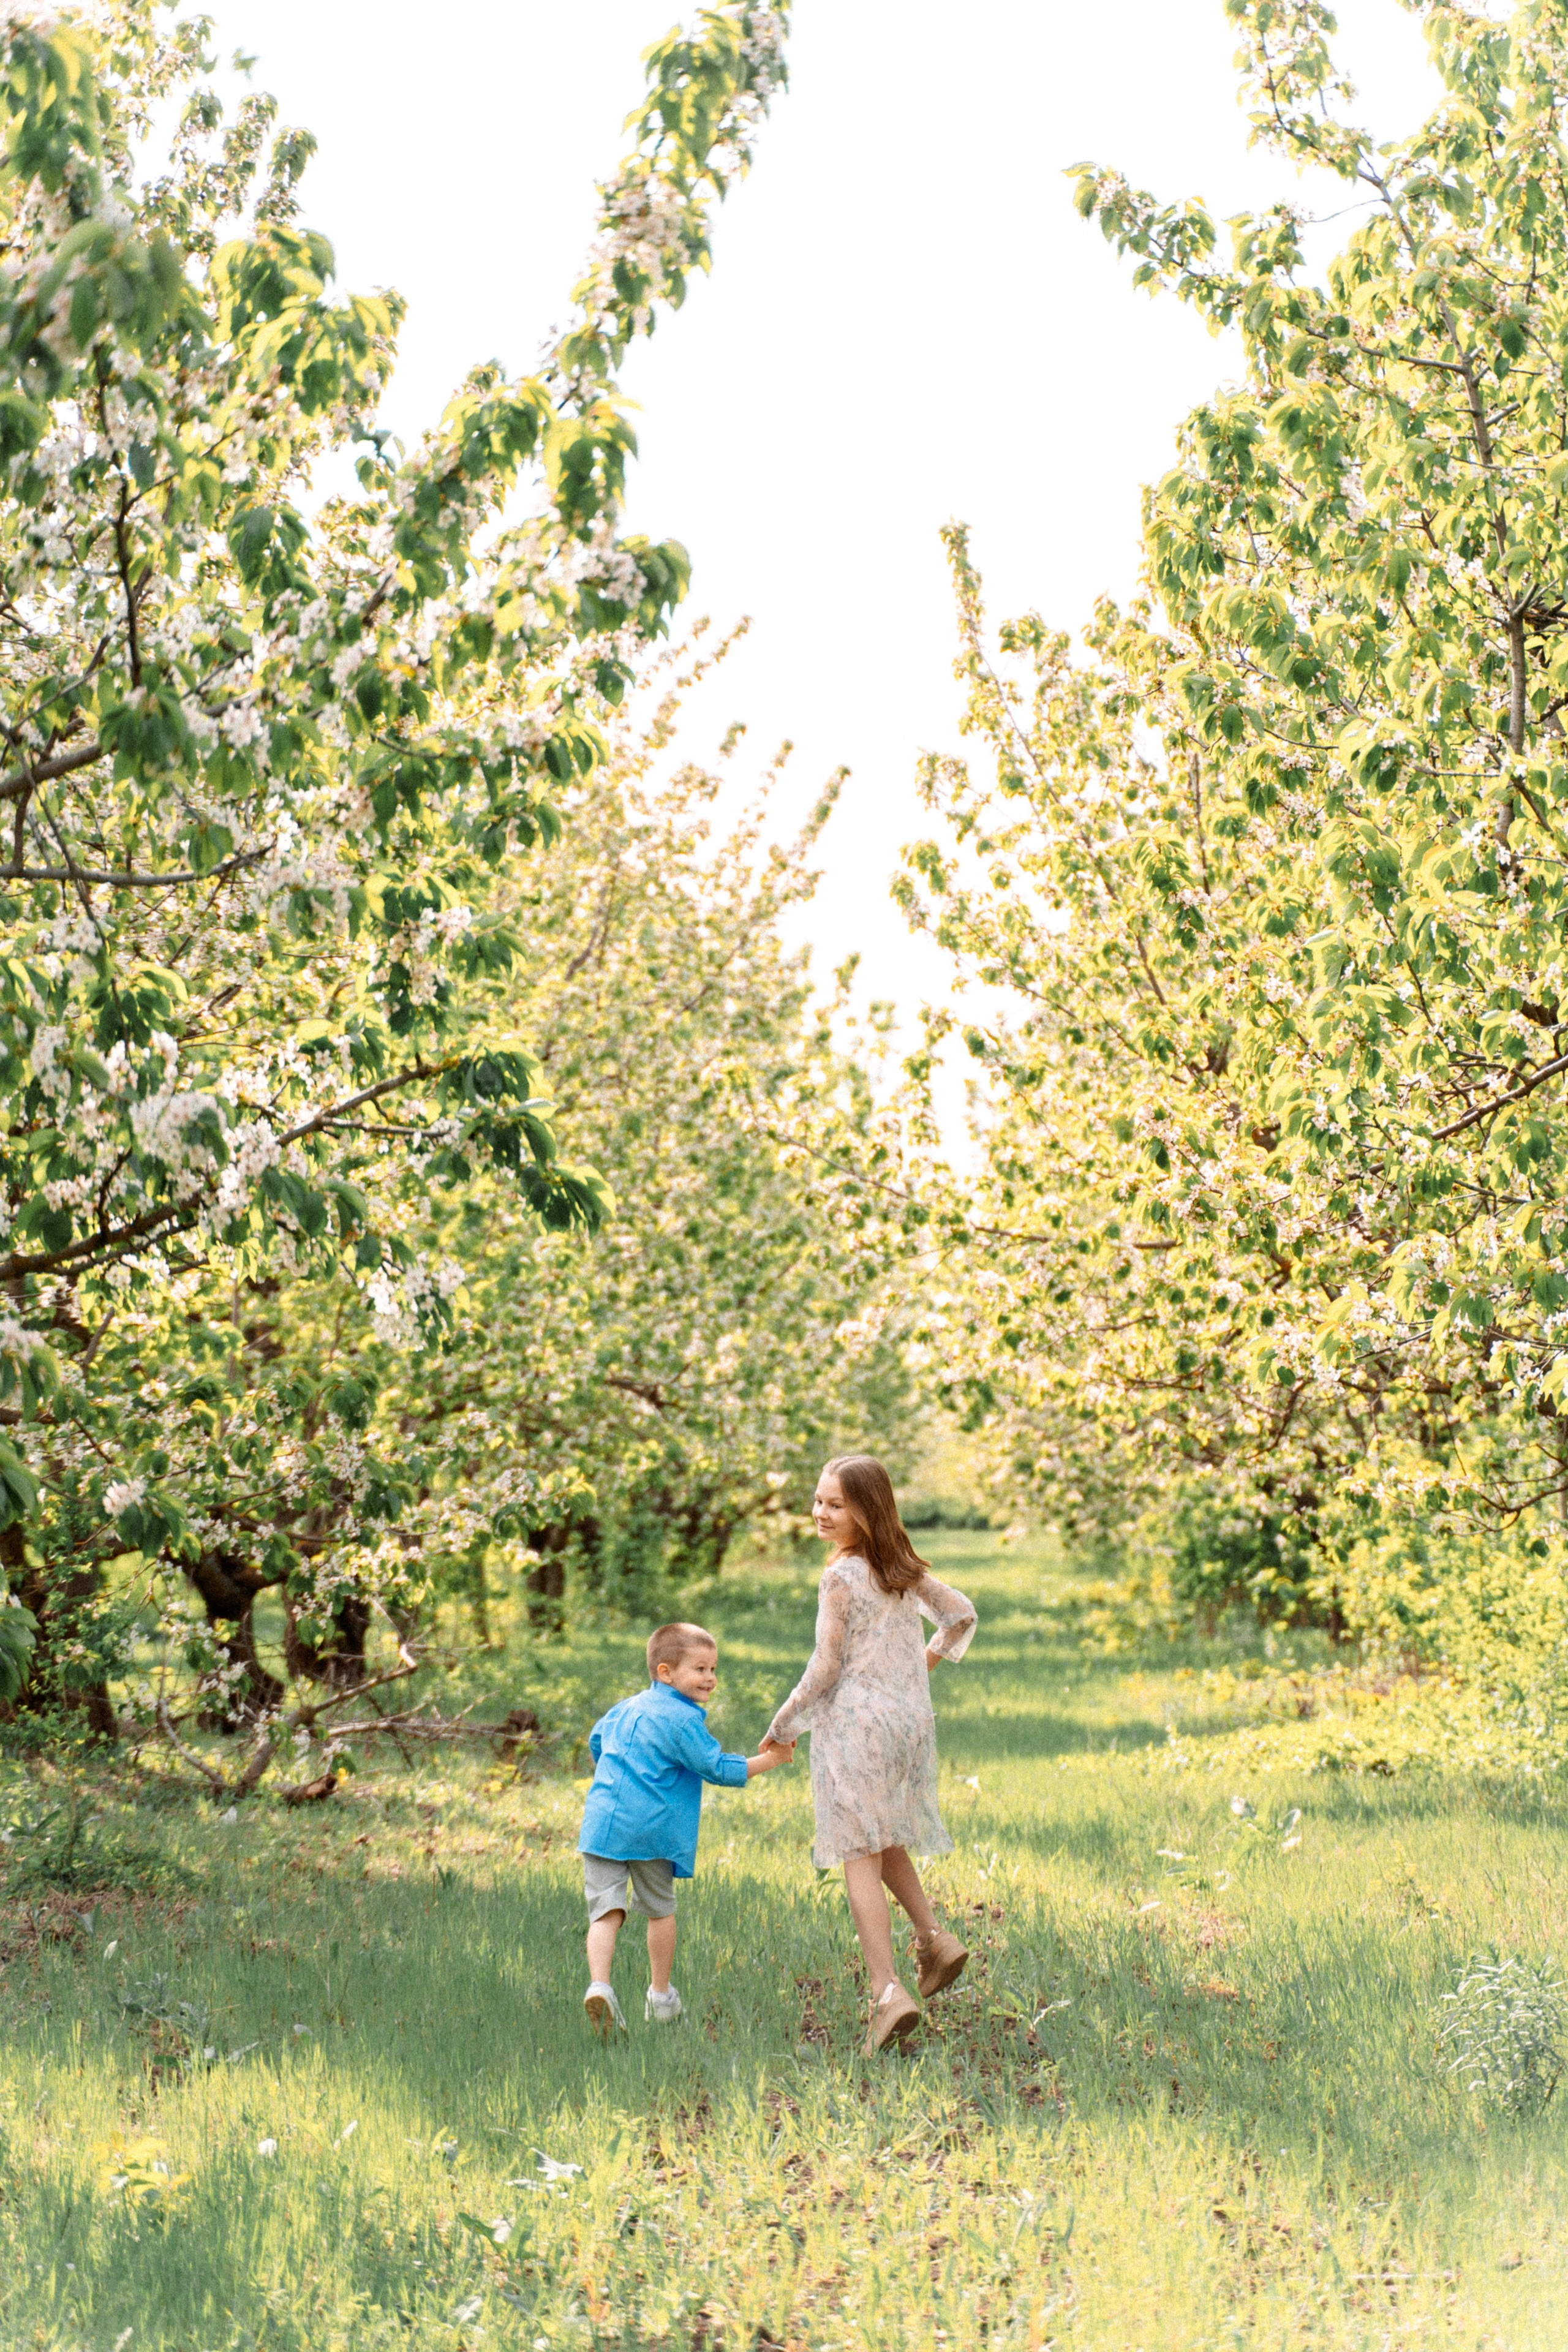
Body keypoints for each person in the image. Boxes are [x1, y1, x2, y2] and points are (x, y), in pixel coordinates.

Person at [762, 1453, 977, 2053]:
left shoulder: (841, 1576)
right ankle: (932, 1938)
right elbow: (960, 1615)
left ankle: (887, 1992)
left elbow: (826, 1666)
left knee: (858, 1853)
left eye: (836, 1504)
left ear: (866, 1510)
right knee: (883, 1836)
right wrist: (916, 1670)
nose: (821, 1512)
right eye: (818, 1500)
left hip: (856, 1729)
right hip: (906, 1726)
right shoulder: (899, 1568)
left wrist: (784, 1723)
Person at [578, 1618, 794, 2033]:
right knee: (660, 1910)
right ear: (666, 1672)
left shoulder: (625, 1708)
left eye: (713, 1669)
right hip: (653, 1832)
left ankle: (600, 1985)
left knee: (605, 1912)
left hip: (601, 1825)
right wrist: (773, 1759)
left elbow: (597, 1742)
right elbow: (716, 1768)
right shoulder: (682, 1720)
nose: (711, 1678)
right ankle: (661, 1997)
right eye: (700, 1669)